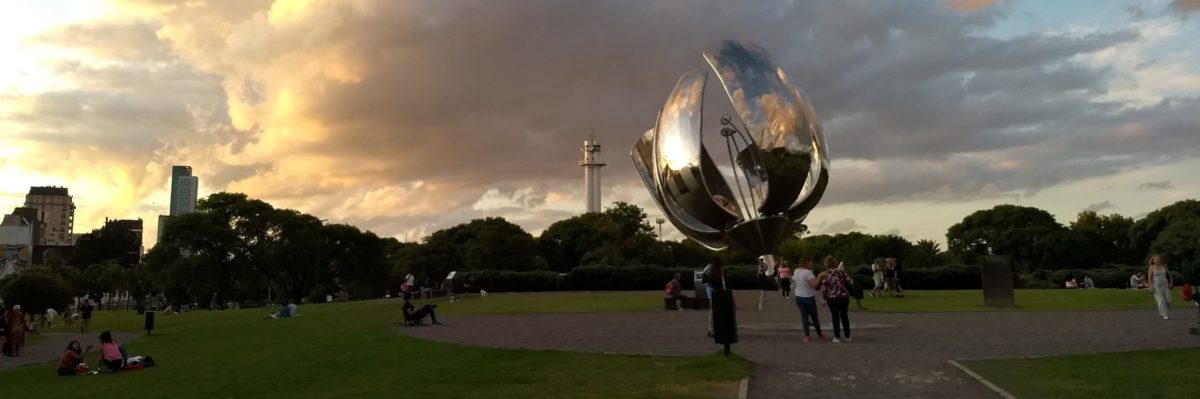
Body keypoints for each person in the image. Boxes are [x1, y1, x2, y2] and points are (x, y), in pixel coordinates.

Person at [817, 256, 853, 343]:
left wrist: (823, 298)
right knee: (844, 316)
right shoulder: (841, 272)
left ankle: (837, 337)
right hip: (843, 297)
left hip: (832, 298)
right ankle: (847, 336)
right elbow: (850, 281)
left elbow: (823, 288)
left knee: (835, 317)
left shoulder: (825, 274)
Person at [793, 256, 824, 342]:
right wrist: (819, 276)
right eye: (811, 262)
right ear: (807, 262)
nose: (812, 264)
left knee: (804, 317)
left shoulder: (796, 271)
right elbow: (814, 285)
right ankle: (820, 334)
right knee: (814, 316)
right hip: (808, 297)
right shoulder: (808, 272)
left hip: (798, 296)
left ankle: (807, 336)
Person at [701, 257, 725, 337]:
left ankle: (712, 329)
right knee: (714, 309)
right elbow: (714, 281)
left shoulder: (708, 268)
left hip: (711, 288)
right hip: (713, 289)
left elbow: (704, 280)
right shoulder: (713, 268)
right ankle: (713, 330)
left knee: (714, 309)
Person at [1148, 255, 1173, 320]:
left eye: (1159, 259)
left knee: (1168, 300)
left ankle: (1161, 310)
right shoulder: (1151, 267)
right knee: (1161, 300)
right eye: (1156, 259)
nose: (1157, 260)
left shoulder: (1164, 266)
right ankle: (1165, 315)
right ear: (1153, 260)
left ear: (1160, 260)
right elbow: (1150, 278)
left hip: (1165, 284)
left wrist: (1171, 283)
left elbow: (1170, 275)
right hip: (1157, 285)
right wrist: (1151, 287)